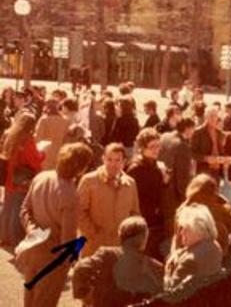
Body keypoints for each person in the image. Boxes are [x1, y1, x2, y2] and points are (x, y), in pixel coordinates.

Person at [18, 142, 93, 307]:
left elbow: (24, 209)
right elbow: (67, 240)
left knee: (29, 300)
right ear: (81, 168)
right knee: (45, 302)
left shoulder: (41, 177)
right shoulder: (70, 195)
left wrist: (31, 228)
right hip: (52, 258)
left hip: (32, 247)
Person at [73, 216, 163, 307]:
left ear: (120, 235)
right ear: (144, 239)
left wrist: (85, 296)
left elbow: (80, 268)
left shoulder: (107, 254)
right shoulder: (152, 265)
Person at [77, 143, 140, 257]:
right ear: (103, 159)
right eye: (109, 159)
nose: (113, 164)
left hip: (120, 248)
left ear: (124, 162)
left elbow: (135, 213)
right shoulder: (89, 181)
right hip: (94, 247)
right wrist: (93, 233)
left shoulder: (130, 184)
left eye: (117, 160)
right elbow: (79, 212)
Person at [0, 113, 44, 248]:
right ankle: (15, 241)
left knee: (6, 207)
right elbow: (34, 161)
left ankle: (3, 236)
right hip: (21, 179)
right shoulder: (27, 139)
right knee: (17, 210)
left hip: (8, 176)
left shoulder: (9, 134)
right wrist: (43, 154)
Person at [127, 128, 167, 258]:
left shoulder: (156, 165)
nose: (156, 150)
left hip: (156, 220)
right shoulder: (136, 169)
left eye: (158, 146)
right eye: (152, 147)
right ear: (142, 148)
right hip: (143, 220)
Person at [165, 203, 222, 290]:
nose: (181, 232)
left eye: (186, 229)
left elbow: (169, 293)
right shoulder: (215, 246)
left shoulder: (189, 261)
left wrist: (169, 266)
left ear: (199, 230)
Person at [159, 118, 196, 237]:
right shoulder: (182, 146)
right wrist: (186, 197)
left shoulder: (165, 137)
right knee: (173, 227)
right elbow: (182, 176)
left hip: (161, 186)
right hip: (173, 193)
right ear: (187, 129)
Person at [35, 99, 70, 170]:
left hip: (45, 151)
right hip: (60, 151)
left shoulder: (44, 120)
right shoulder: (65, 120)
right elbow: (67, 138)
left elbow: (38, 137)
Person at [191, 107, 225, 176]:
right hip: (203, 170)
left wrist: (225, 159)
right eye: (211, 116)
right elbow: (191, 153)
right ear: (206, 117)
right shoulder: (198, 132)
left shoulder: (219, 133)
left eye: (215, 116)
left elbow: (221, 151)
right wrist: (206, 158)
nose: (213, 118)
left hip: (217, 170)